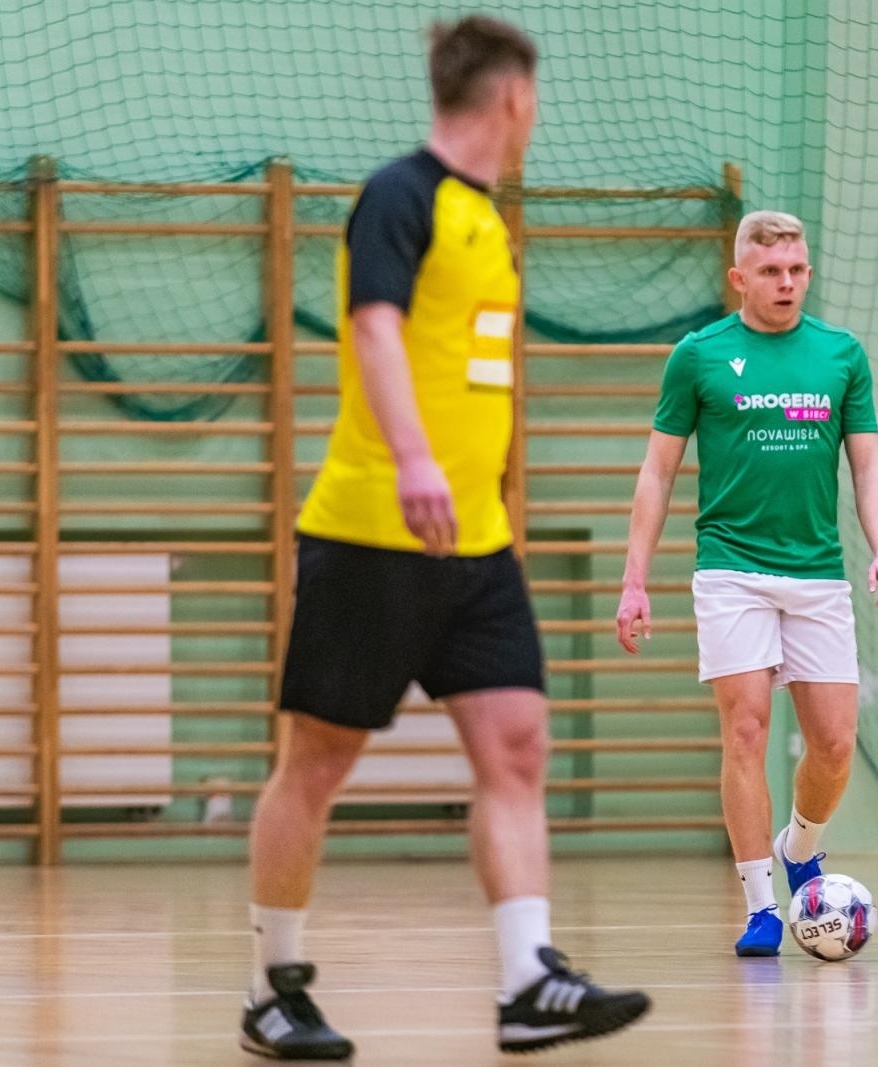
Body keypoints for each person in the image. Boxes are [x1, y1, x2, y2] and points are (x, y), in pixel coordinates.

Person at [241, 15, 651, 1059]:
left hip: (476, 545)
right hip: (373, 529)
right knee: (317, 762)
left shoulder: (483, 217)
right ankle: (271, 987)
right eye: (536, 101)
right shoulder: (400, 194)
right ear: (513, 99)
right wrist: (416, 456)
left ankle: (527, 978)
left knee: (515, 746)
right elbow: (373, 326)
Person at [615, 210, 878, 958]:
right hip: (730, 567)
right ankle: (760, 906)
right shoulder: (699, 356)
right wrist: (634, 579)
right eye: (771, 271)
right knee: (745, 727)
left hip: (815, 571)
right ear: (740, 277)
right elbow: (658, 469)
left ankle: (800, 843)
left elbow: (867, 462)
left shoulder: (842, 356)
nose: (786, 283)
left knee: (834, 744)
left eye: (797, 269)